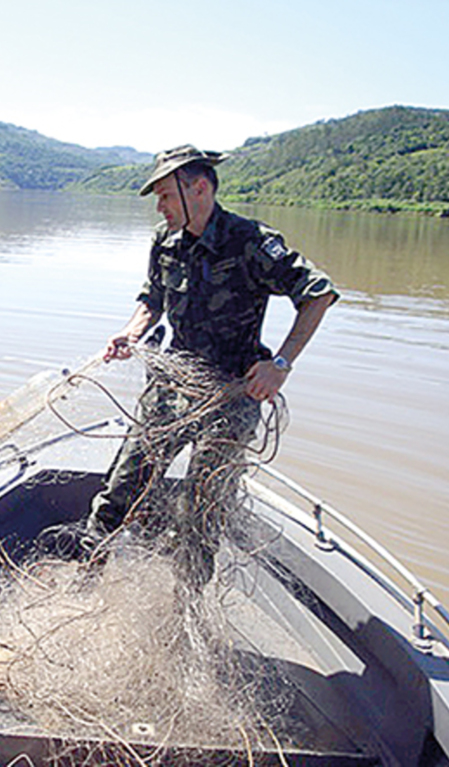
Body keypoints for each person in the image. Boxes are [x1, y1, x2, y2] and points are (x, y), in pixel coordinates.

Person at [86, 144, 339, 587]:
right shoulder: (164, 242)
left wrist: (280, 364)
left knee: (200, 515)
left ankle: (186, 610)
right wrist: (131, 332)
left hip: (231, 396)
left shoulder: (251, 242)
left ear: (199, 188)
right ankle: (87, 576)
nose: (159, 207)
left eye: (165, 196)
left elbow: (317, 293)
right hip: (170, 388)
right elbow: (152, 300)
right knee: (122, 488)